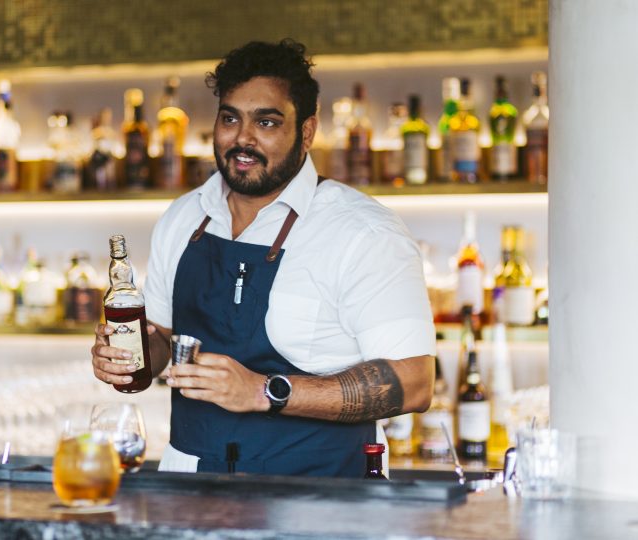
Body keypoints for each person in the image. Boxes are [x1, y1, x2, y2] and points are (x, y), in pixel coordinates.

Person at [92, 39, 436, 477]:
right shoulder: (183, 218)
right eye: (230, 118)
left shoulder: (363, 232)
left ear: (307, 132)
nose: (243, 138)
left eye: (267, 122)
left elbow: (415, 383)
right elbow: (162, 335)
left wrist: (263, 392)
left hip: (322, 499)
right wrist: (130, 355)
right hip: (192, 490)